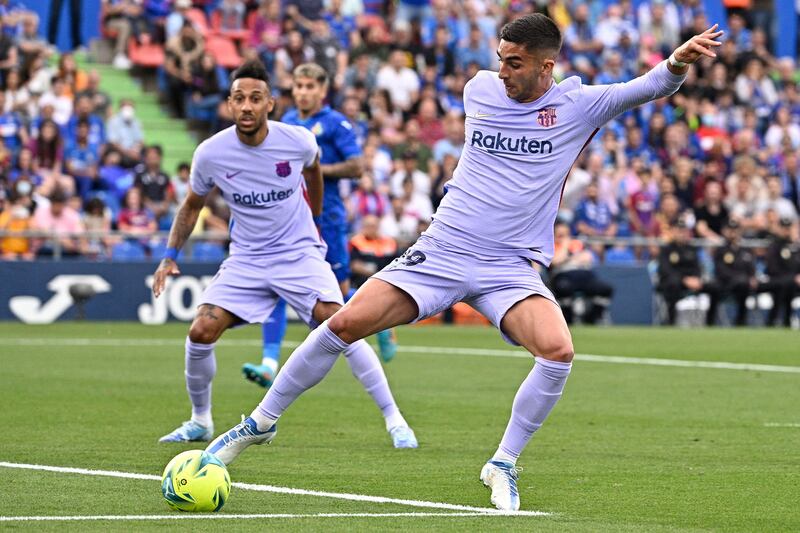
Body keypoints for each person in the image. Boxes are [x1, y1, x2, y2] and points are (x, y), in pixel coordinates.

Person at [206, 15, 722, 512]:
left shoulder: (580, 106)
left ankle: (503, 462)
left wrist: (676, 61)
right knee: (342, 324)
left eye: (516, 63)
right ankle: (260, 422)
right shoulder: (479, 89)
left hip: (509, 266)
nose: (503, 72)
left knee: (558, 350)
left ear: (547, 67)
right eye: (501, 59)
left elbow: (649, 86)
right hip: (444, 249)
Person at [154, 60, 417, 449]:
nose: (247, 106)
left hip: (298, 253)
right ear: (228, 105)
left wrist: (311, 217)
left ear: (270, 104)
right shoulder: (211, 153)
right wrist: (170, 254)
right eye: (239, 99)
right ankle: (199, 420)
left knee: (340, 323)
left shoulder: (297, 140)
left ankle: (395, 420)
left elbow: (314, 172)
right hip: (246, 258)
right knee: (201, 330)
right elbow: (192, 204)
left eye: (255, 98)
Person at [242, 62, 398, 392]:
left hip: (327, 219)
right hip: (291, 220)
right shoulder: (287, 123)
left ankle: (383, 322)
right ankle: (269, 363)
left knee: (340, 299)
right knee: (276, 285)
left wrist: (313, 170)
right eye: (298, 86)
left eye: (310, 87)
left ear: (322, 91)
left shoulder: (336, 124)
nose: (303, 92)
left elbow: (357, 166)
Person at [657, 217, 720, 326]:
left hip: (692, 281)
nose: (682, 233)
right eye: (679, 230)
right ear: (673, 231)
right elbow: (665, 269)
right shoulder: (666, 249)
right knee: (673, 284)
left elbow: (697, 267)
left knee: (715, 287)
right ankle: (671, 322)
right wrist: (684, 279)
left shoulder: (692, 249)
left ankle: (710, 322)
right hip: (673, 282)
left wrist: (697, 279)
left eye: (684, 230)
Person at [549, 221, 613, 325]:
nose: (565, 237)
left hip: (583, 274)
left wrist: (567, 258)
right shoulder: (551, 245)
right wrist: (566, 247)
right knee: (564, 288)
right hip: (564, 275)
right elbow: (555, 261)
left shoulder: (576, 243)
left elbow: (587, 257)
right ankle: (568, 318)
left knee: (605, 288)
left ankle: (593, 317)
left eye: (566, 234)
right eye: (561, 235)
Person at [713, 220, 757, 326]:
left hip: (744, 283)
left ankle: (742, 320)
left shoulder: (746, 250)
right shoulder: (721, 250)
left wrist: (752, 277)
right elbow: (720, 270)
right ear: (725, 231)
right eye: (730, 230)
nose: (733, 232)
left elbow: (751, 267)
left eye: (735, 230)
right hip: (725, 283)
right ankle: (712, 321)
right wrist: (739, 278)